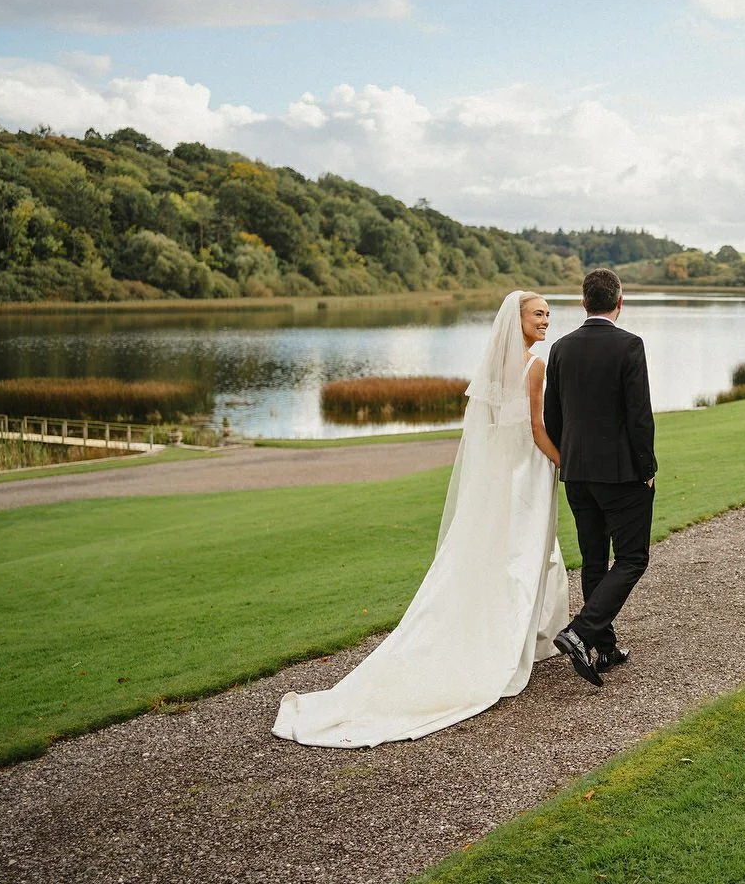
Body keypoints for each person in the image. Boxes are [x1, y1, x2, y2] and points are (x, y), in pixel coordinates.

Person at [272, 291, 569, 747]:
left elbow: (488, 430)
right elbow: (535, 427)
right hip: (525, 472)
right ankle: (510, 645)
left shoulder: (491, 367)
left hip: (495, 479)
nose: (546, 320)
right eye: (538, 314)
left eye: (549, 314)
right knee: (524, 555)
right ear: (518, 320)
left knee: (504, 553)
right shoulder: (535, 366)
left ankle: (529, 634)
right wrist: (561, 462)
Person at [545, 268, 657, 687]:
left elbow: (551, 417)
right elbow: (638, 417)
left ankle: (604, 647)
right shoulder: (629, 345)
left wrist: (569, 460)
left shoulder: (560, 347)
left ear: (583, 302)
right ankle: (580, 632)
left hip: (576, 473)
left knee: (594, 559)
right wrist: (646, 469)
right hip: (621, 476)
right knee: (632, 558)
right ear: (619, 301)